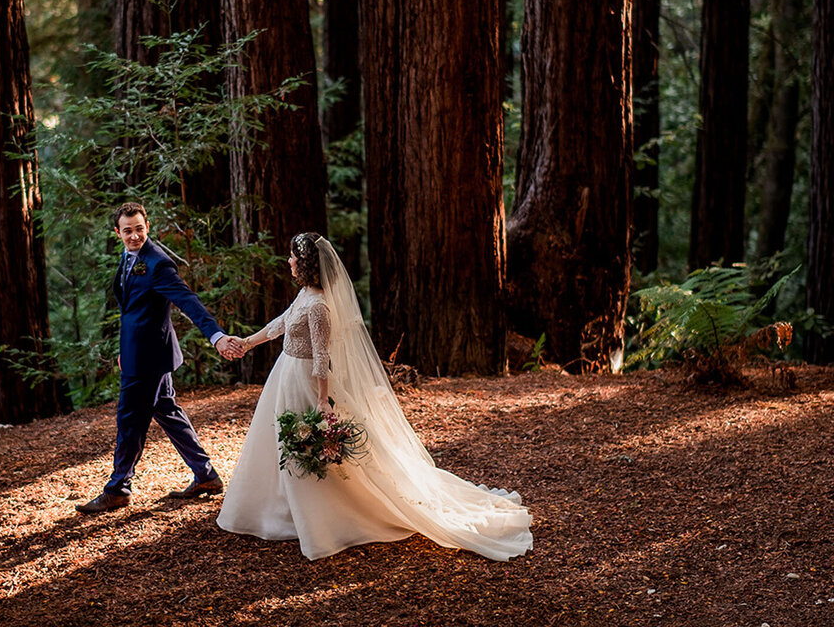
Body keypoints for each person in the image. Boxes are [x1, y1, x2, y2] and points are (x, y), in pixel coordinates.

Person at [216, 232, 533, 561]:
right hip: (286, 376)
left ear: (307, 263)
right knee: (280, 444)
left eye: (294, 257)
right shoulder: (304, 295)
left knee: (309, 446)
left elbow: (322, 358)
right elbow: (280, 324)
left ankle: (325, 516)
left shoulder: (319, 306)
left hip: (307, 382)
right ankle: (282, 509)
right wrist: (248, 342)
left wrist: (323, 401)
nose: (289, 261)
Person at [76, 202, 246, 514]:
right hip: (140, 353)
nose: (134, 236)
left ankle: (118, 488)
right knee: (167, 412)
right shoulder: (129, 258)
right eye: (127, 231)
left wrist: (216, 335)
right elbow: (132, 312)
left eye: (139, 229)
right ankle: (206, 475)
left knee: (129, 419)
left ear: (147, 227)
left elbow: (188, 301)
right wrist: (124, 351)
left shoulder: (157, 264)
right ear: (118, 233)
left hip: (150, 359)